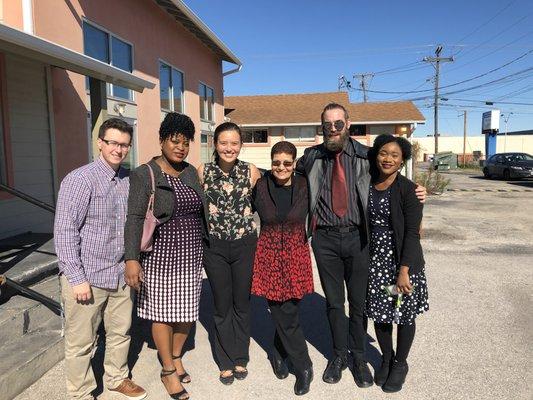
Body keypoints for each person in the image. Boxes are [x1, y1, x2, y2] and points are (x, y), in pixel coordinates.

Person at [296, 103, 426, 388]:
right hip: (325, 239)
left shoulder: (367, 156)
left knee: (358, 303)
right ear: (322, 126)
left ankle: (358, 357)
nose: (333, 129)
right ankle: (338, 355)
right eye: (327, 124)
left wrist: (418, 190)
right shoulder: (310, 158)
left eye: (338, 124)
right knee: (333, 303)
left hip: (359, 238)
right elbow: (284, 179)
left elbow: (391, 177)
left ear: (348, 124)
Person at [54, 118, 146, 400]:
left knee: (121, 333)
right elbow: (65, 230)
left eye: (124, 145)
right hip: (88, 277)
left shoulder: (129, 179)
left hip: (120, 273)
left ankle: (117, 377)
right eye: (113, 143)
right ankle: (80, 392)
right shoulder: (80, 180)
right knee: (81, 341)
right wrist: (76, 278)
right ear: (100, 143)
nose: (118, 150)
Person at [124, 113, 207, 400]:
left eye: (186, 142)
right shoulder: (145, 173)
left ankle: (176, 355)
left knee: (186, 312)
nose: (180, 147)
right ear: (162, 140)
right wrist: (131, 258)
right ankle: (168, 369)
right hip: (159, 254)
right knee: (162, 312)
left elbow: (201, 209)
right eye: (175, 141)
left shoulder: (190, 172)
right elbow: (134, 217)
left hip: (190, 252)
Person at [197, 122, 261, 385]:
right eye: (223, 142)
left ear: (241, 145)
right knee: (222, 305)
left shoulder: (251, 172)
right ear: (215, 144)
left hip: (245, 244)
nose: (229, 148)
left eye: (234, 143)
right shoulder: (204, 171)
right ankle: (224, 360)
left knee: (242, 304)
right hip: (215, 247)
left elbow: (263, 203)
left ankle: (240, 357)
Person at [365, 134, 429, 393]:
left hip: (401, 263)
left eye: (394, 155)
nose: (387, 158)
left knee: (403, 315)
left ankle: (400, 363)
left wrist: (404, 271)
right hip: (375, 262)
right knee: (381, 315)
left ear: (402, 161)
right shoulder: (367, 183)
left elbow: (413, 232)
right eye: (383, 153)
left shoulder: (409, 189)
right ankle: (386, 358)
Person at [251, 141, 314, 396]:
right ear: (271, 161)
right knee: (281, 312)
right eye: (276, 162)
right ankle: (304, 366)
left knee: (290, 312)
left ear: (294, 163)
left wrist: (412, 189)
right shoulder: (259, 185)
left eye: (287, 163)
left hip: (296, 255)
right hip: (269, 257)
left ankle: (278, 353)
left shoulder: (305, 185)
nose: (281, 167)